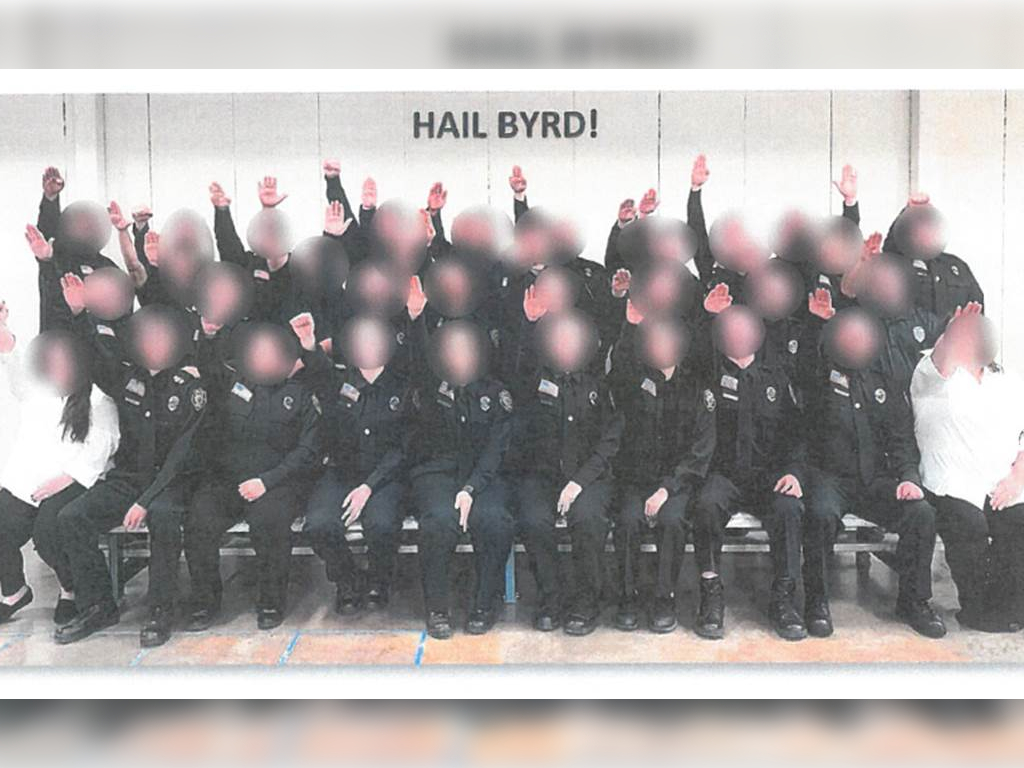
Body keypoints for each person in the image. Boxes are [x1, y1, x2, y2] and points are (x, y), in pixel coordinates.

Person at [56, 299, 208, 647]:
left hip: (170, 483)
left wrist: (145, 501)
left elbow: (181, 456)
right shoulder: (126, 377)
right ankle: (98, 605)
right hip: (129, 478)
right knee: (71, 517)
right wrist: (79, 314)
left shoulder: (190, 387)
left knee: (163, 517)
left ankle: (160, 610)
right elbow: (91, 354)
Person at [803, 307, 946, 638]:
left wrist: (908, 478)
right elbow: (804, 366)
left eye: (862, 337)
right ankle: (816, 601)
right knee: (820, 514)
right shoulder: (817, 376)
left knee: (920, 513)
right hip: (830, 479)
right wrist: (816, 323)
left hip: (875, 480)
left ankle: (914, 601)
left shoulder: (885, 382)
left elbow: (901, 439)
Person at [185, 320, 322, 632]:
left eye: (272, 352)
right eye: (258, 352)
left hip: (278, 483)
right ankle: (205, 601)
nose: (264, 358)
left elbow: (307, 451)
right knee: (199, 519)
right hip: (230, 481)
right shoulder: (232, 383)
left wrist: (267, 481)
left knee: (268, 521)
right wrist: (209, 335)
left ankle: (271, 601)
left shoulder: (299, 393)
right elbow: (208, 369)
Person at [689, 305, 808, 641]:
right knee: (706, 506)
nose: (738, 335)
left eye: (745, 329)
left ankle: (784, 599)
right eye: (731, 329)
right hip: (722, 475)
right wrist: (707, 315)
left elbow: (796, 435)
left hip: (767, 476)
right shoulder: (706, 372)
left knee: (789, 509)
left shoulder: (777, 377)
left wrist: (794, 473)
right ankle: (711, 595)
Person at [0, 308, 119, 625]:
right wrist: (3, 331)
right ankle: (13, 591)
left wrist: (64, 480)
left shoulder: (98, 401)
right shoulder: (38, 389)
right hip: (31, 482)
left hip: (72, 483)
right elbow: (14, 365)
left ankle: (70, 589)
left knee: (48, 533)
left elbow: (100, 451)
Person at [911, 308, 1024, 632]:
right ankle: (977, 608)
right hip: (950, 484)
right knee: (970, 525)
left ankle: (1011, 607)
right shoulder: (931, 374)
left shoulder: (1007, 381)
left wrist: (1017, 477)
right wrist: (953, 331)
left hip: (1002, 483)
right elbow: (942, 359)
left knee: (1018, 521)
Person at [512, 311, 623, 636]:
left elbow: (609, 442)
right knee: (534, 520)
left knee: (588, 520)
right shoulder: (534, 379)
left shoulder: (601, 385)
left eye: (572, 340)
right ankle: (551, 598)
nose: (565, 346)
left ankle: (587, 601)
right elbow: (517, 364)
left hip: (589, 478)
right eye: (558, 340)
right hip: (542, 476)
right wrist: (529, 322)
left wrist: (578, 482)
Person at [407, 320, 515, 639]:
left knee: (494, 521)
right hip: (437, 474)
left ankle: (484, 604)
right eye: (452, 351)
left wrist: (471, 488)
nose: (459, 357)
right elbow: (417, 360)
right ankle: (437, 608)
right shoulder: (430, 387)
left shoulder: (496, 393)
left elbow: (495, 450)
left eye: (466, 350)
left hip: (482, 476)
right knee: (439, 521)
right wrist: (416, 319)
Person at [610, 318, 715, 633]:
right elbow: (616, 370)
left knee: (672, 521)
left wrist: (667, 489)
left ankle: (663, 598)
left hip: (677, 484)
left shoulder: (697, 390)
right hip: (636, 479)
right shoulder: (632, 381)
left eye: (667, 341)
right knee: (628, 521)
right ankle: (627, 597)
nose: (661, 347)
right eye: (654, 342)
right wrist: (629, 326)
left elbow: (700, 452)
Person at [302, 315, 410, 615]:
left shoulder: (402, 388)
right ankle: (347, 578)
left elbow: (403, 448)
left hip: (384, 477)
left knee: (381, 525)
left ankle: (379, 578)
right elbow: (319, 373)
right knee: (319, 524)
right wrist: (309, 344)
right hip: (341, 473)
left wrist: (369, 486)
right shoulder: (340, 382)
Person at [25, 167, 118, 333]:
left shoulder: (109, 267)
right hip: (59, 340)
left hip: (99, 346)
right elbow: (48, 237)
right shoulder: (62, 257)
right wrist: (50, 199)